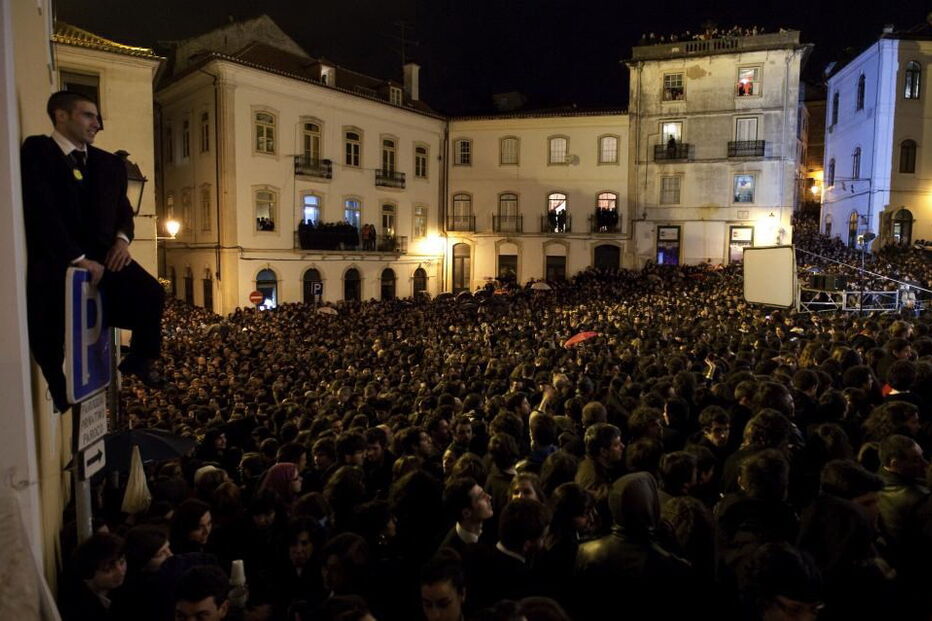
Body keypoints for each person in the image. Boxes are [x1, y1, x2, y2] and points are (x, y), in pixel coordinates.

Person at [20, 90, 165, 412]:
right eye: (88, 115)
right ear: (61, 115)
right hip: (58, 258)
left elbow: (124, 212)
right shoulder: (39, 152)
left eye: (97, 117)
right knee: (48, 327)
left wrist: (122, 241)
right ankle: (60, 390)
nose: (97, 124)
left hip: (106, 253)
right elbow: (41, 211)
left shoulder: (109, 164)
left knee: (151, 294)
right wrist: (77, 258)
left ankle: (140, 358)